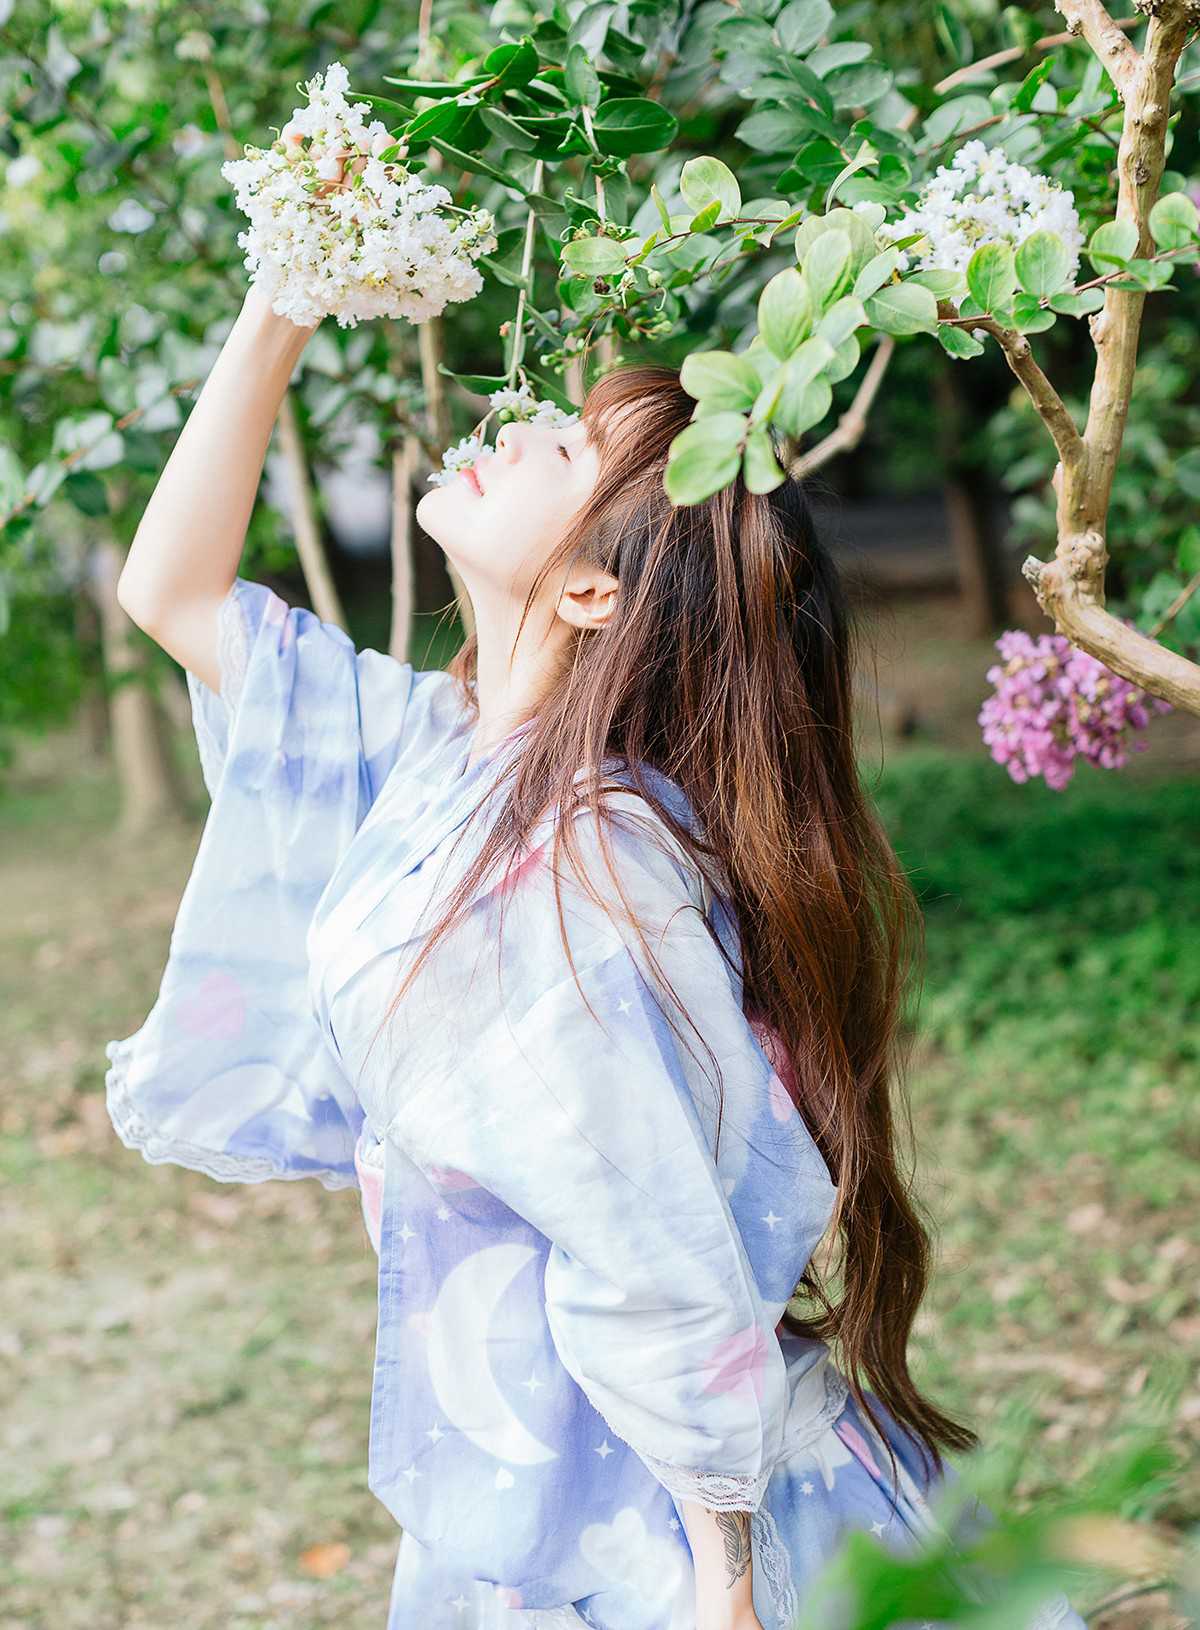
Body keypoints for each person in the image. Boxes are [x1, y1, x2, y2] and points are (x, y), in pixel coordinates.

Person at [105, 277, 1089, 1630]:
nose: (512, 429)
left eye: (563, 448)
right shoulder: (443, 756)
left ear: (585, 587)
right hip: (543, 1489)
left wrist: (723, 1593)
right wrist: (285, 289)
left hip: (651, 1530)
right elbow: (174, 591)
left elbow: (654, 1252)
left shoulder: (581, 877)